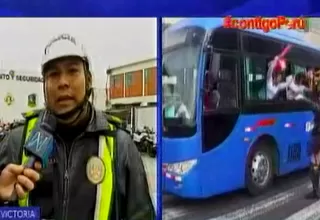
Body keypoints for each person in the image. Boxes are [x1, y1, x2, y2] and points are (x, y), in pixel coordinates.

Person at [0, 34, 155, 220]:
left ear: (88, 79)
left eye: (73, 71)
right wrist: (3, 201)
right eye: (53, 74)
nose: (63, 82)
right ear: (44, 86)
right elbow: (8, 214)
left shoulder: (120, 144)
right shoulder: (16, 141)